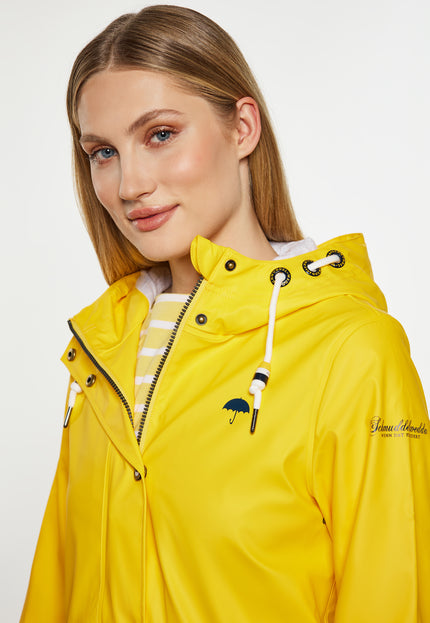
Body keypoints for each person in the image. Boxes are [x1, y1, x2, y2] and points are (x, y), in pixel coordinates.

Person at [20, 5, 430, 622]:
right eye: (102, 152)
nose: (129, 185)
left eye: (160, 134)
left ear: (242, 128)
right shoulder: (101, 356)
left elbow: (391, 598)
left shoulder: (353, 352)